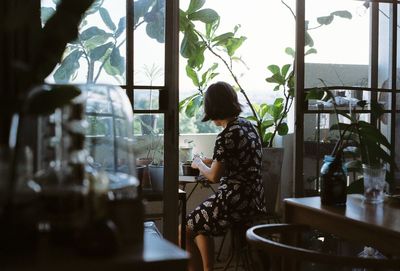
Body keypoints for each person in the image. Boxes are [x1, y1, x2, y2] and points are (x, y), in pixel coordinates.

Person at [182, 81, 266, 271]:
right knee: (199, 224)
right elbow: (239, 161)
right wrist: (211, 161)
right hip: (255, 199)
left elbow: (214, 177)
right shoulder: (248, 126)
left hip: (233, 201)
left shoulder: (226, 135)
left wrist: (198, 163)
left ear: (213, 107)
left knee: (185, 228)